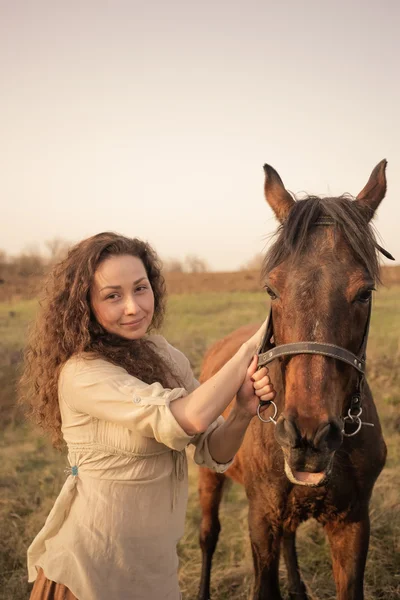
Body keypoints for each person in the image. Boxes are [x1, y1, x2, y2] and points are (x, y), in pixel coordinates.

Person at [20, 232, 275, 600]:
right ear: (84, 305)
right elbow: (186, 420)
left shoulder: (162, 354)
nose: (133, 307)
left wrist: (241, 413)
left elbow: (211, 449)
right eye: (113, 296)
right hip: (92, 572)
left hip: (155, 572)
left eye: (141, 288)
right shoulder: (81, 373)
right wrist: (251, 347)